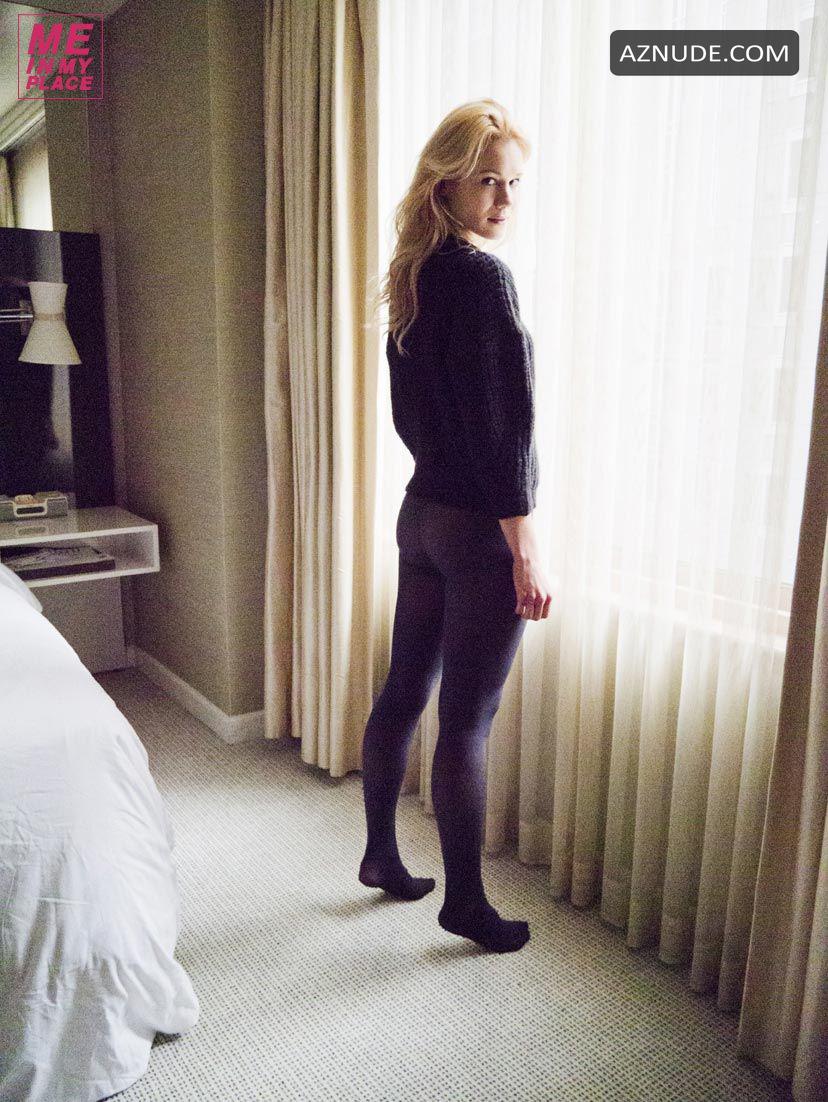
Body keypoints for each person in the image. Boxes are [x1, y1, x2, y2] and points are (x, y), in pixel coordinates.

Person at [359, 99, 552, 954]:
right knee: (467, 718)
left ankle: (380, 855)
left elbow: (422, 416)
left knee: (405, 688)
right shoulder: (480, 278)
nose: (505, 200)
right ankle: (465, 903)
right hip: (474, 529)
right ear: (445, 184)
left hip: (422, 515)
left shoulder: (415, 275)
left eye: (513, 183)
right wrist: (525, 546)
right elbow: (506, 426)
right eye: (487, 181)